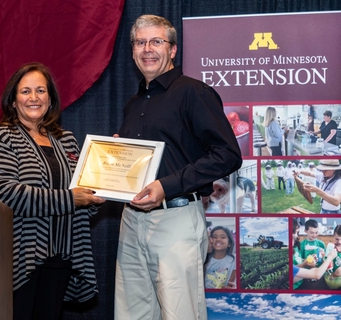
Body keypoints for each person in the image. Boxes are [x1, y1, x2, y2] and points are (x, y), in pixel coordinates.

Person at [114, 15, 242, 320]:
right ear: (132, 51)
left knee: (180, 314)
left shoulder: (193, 92)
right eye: (140, 42)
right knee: (132, 314)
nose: (147, 49)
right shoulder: (133, 103)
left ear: (172, 49)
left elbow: (227, 154)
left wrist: (165, 186)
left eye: (156, 41)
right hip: (131, 220)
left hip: (176, 219)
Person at [0, 62, 105, 320]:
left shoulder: (66, 139)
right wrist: (70, 199)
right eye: (25, 91)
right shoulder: (2, 137)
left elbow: (83, 199)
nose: (34, 98)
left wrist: (103, 181)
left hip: (63, 257)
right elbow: (3, 191)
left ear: (50, 99)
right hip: (22, 257)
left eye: (41, 90)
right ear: (13, 101)